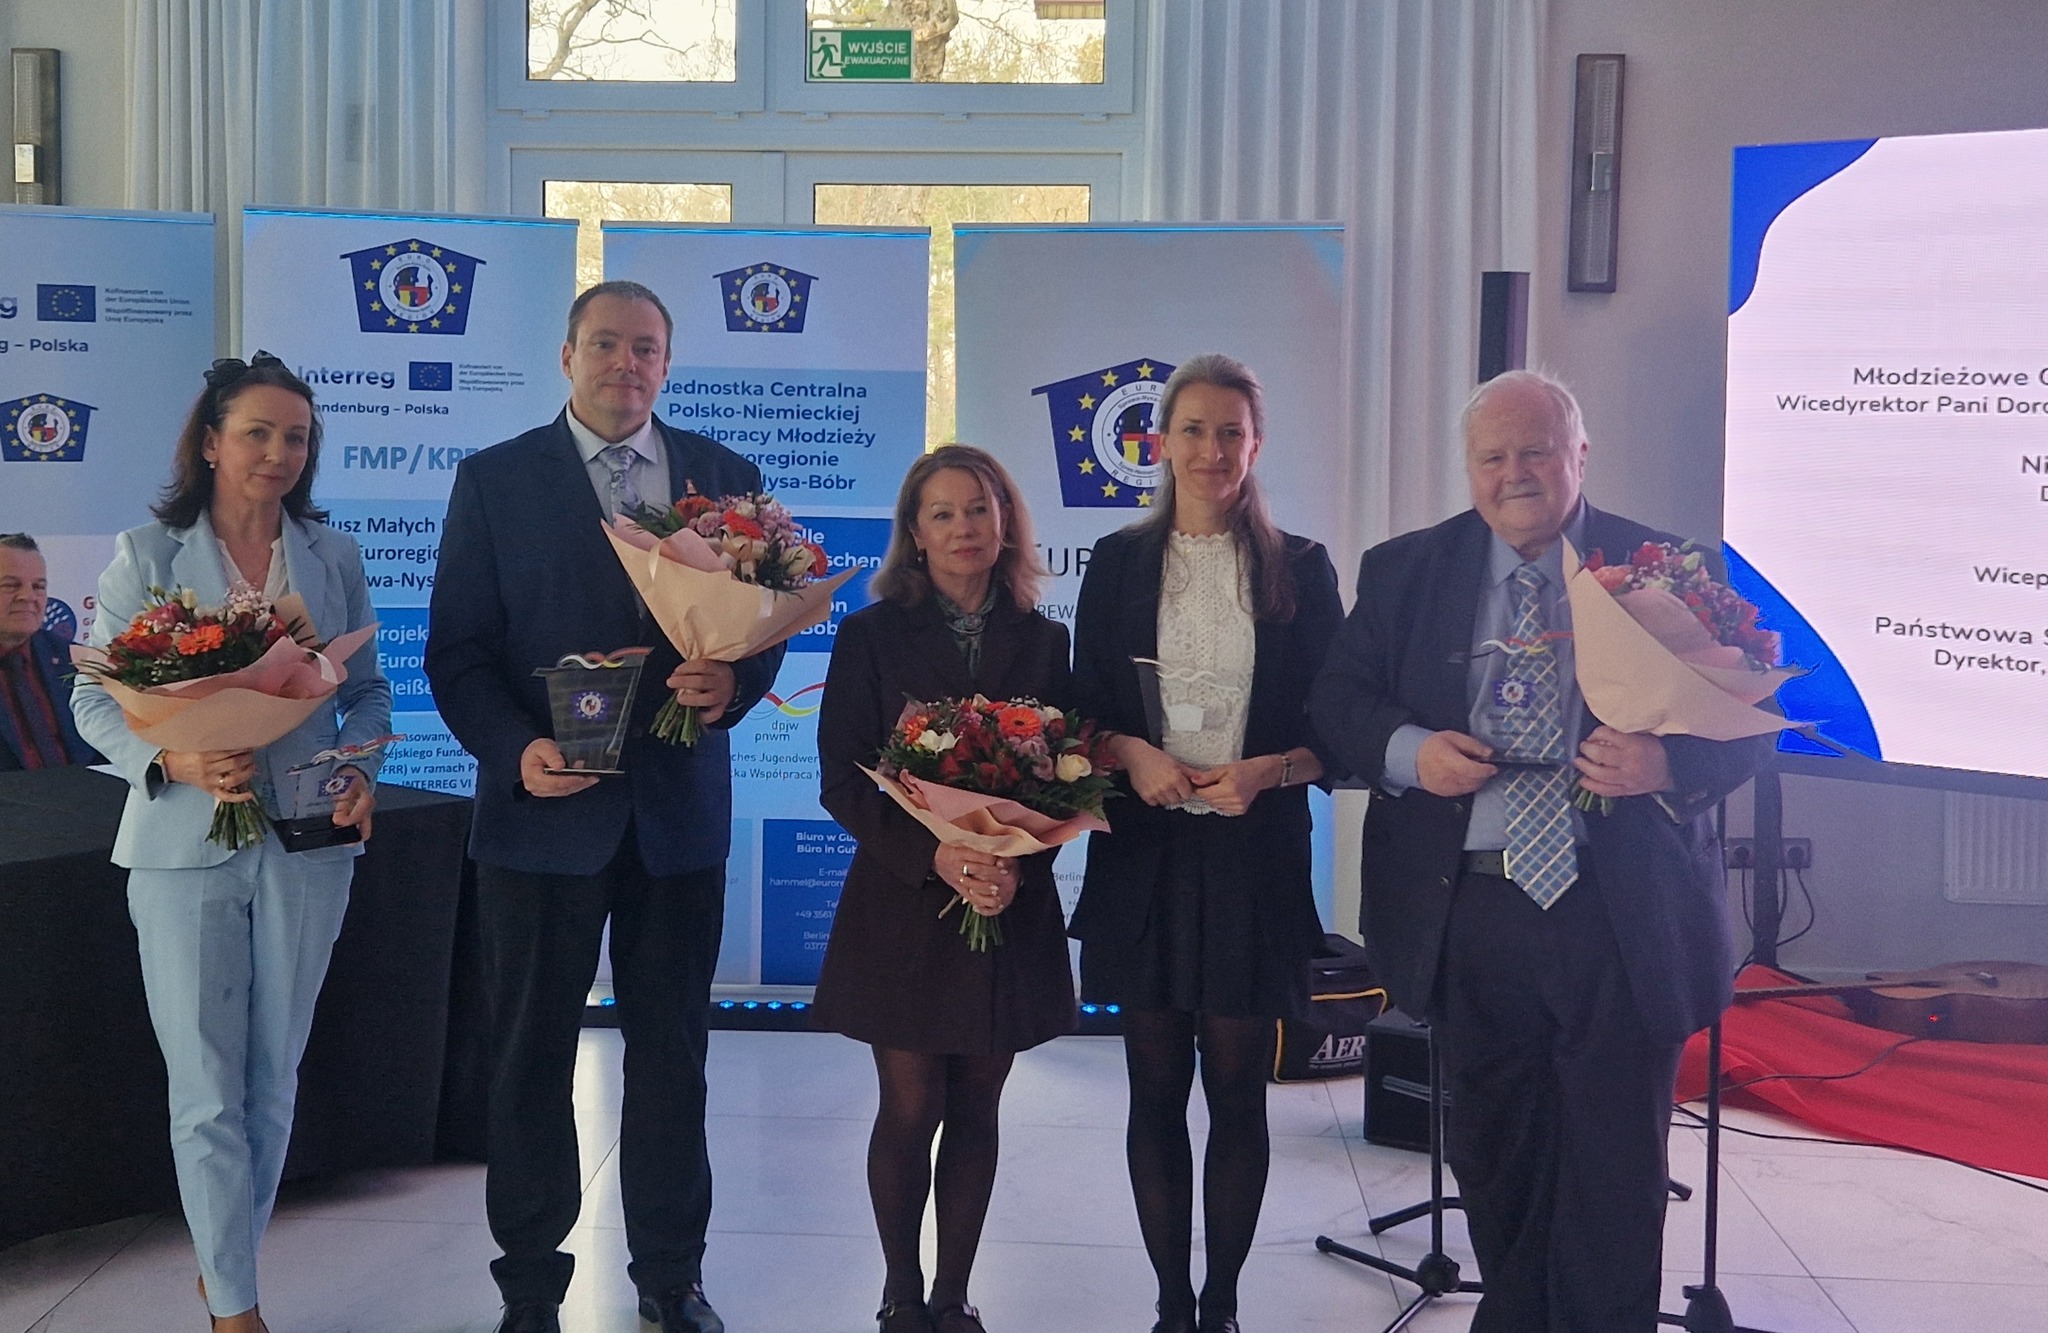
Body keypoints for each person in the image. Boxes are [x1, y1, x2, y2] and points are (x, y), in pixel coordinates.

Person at [1308, 370, 1774, 1331]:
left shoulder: (1671, 565)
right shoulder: (1405, 570)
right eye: (1493, 456)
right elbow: (1338, 703)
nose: (1514, 472)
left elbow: (1752, 725)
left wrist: (1665, 762)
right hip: (1467, 910)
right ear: (1468, 465)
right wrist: (1412, 751)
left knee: (1615, 1161)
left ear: (1580, 455)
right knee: (1494, 1150)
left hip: (1619, 912)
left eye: (1536, 451)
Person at [425, 280, 785, 1333]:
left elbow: (764, 629)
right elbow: (457, 653)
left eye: (646, 348)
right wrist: (515, 751)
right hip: (541, 817)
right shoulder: (494, 480)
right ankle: (531, 1284)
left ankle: (671, 1277)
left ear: (667, 363)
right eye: (605, 344)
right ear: (567, 355)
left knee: (673, 1058)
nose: (626, 364)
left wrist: (733, 686)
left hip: (676, 819)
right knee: (529, 1057)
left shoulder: (726, 476)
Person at [69, 355, 388, 1333]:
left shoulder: (332, 555)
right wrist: (171, 758)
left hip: (308, 842)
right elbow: (93, 697)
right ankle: (237, 1312)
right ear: (210, 442)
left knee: (272, 1079)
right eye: (257, 432)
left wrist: (360, 770)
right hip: (179, 846)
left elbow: (368, 692)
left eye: (296, 437)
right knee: (205, 1088)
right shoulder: (146, 555)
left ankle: (224, 1268)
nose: (278, 453)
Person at [1067, 354, 1343, 1333]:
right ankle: (1170, 1306)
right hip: (1143, 856)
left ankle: (1220, 1305)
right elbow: (1080, 713)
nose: (1211, 450)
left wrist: (1269, 769)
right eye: (1193, 429)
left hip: (1251, 857)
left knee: (1236, 1092)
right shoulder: (1115, 562)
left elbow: (1339, 733)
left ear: (1255, 445)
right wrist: (1128, 750)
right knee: (1152, 1089)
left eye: (1230, 432)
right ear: (1161, 442)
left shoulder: (1301, 567)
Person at [812, 446, 1078, 1333]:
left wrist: (1011, 861)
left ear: (1005, 523)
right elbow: (843, 779)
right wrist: (940, 858)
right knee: (911, 1100)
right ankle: (900, 1290)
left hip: (1007, 901)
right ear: (915, 533)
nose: (964, 527)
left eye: (979, 509)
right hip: (902, 902)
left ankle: (954, 1293)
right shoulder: (869, 634)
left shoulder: (1046, 639)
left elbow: (1067, 774)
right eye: (943, 513)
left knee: (977, 1103)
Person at [1, 532, 102, 769]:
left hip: (84, 789)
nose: (28, 596)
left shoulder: (74, 659)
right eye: (10, 585)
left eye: (38, 586)